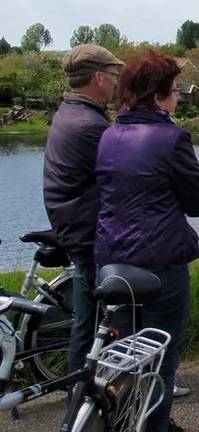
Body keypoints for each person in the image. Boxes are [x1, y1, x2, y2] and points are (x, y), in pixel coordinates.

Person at [95, 51, 199, 432]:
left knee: (124, 358)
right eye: (175, 89)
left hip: (114, 261)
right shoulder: (171, 137)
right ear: (160, 93)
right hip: (160, 260)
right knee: (161, 361)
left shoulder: (109, 135)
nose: (178, 96)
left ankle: (122, 423)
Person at [42, 44, 123, 374]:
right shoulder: (90, 126)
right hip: (88, 231)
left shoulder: (71, 112)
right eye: (114, 75)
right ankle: (84, 385)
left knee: (89, 313)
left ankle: (86, 382)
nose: (117, 82)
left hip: (73, 222)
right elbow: (123, 177)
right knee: (95, 316)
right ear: (99, 77)